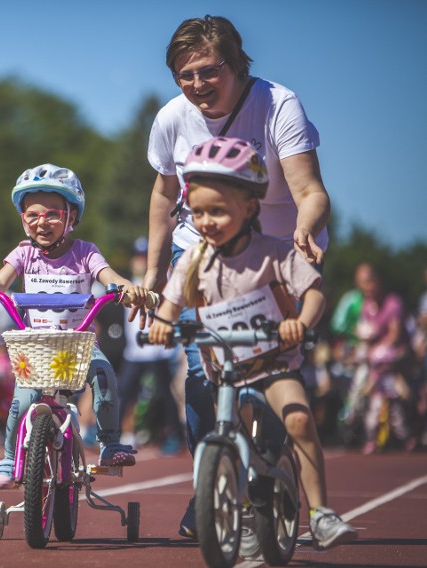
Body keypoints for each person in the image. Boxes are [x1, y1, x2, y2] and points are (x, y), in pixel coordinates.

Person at [144, 14, 332, 538]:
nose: (197, 85)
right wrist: (154, 275)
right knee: (203, 378)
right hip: (202, 255)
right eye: (185, 75)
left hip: (274, 253)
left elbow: (310, 190)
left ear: (236, 63)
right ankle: (217, 482)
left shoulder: (277, 104)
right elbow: (163, 197)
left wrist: (305, 231)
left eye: (208, 71)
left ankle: (267, 477)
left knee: (266, 375)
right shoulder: (172, 118)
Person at [147, 137, 357, 553]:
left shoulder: (274, 253)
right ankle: (237, 509)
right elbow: (172, 301)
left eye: (219, 211)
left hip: (274, 362)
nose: (207, 221)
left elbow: (314, 291)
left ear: (250, 207)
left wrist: (299, 321)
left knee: (296, 418)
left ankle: (320, 513)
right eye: (200, 212)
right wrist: (161, 324)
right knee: (225, 430)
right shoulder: (192, 260)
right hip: (226, 367)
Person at [0, 163, 152, 490]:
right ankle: (10, 458)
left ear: (71, 217)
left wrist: (127, 289)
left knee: (105, 376)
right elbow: (1, 278)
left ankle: (109, 444)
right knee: (21, 401)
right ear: (22, 219)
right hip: (36, 347)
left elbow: (111, 278)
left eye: (53, 214)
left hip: (79, 346)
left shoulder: (85, 253)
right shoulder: (23, 254)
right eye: (32, 215)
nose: (42, 223)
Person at [116, 237, 181, 455]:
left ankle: (174, 436)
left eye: (145, 256)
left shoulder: (165, 279)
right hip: (134, 351)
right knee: (124, 392)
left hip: (158, 350)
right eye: (138, 256)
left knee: (165, 395)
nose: (141, 261)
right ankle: (113, 437)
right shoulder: (129, 282)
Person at [353, 263, 415, 454]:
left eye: (370, 282)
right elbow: (365, 332)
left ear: (377, 281)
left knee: (398, 409)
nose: (367, 289)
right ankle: (366, 434)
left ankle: (407, 437)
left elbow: (395, 336)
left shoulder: (393, 303)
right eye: (362, 284)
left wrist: (378, 348)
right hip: (375, 365)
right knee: (369, 404)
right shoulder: (366, 305)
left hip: (395, 359)